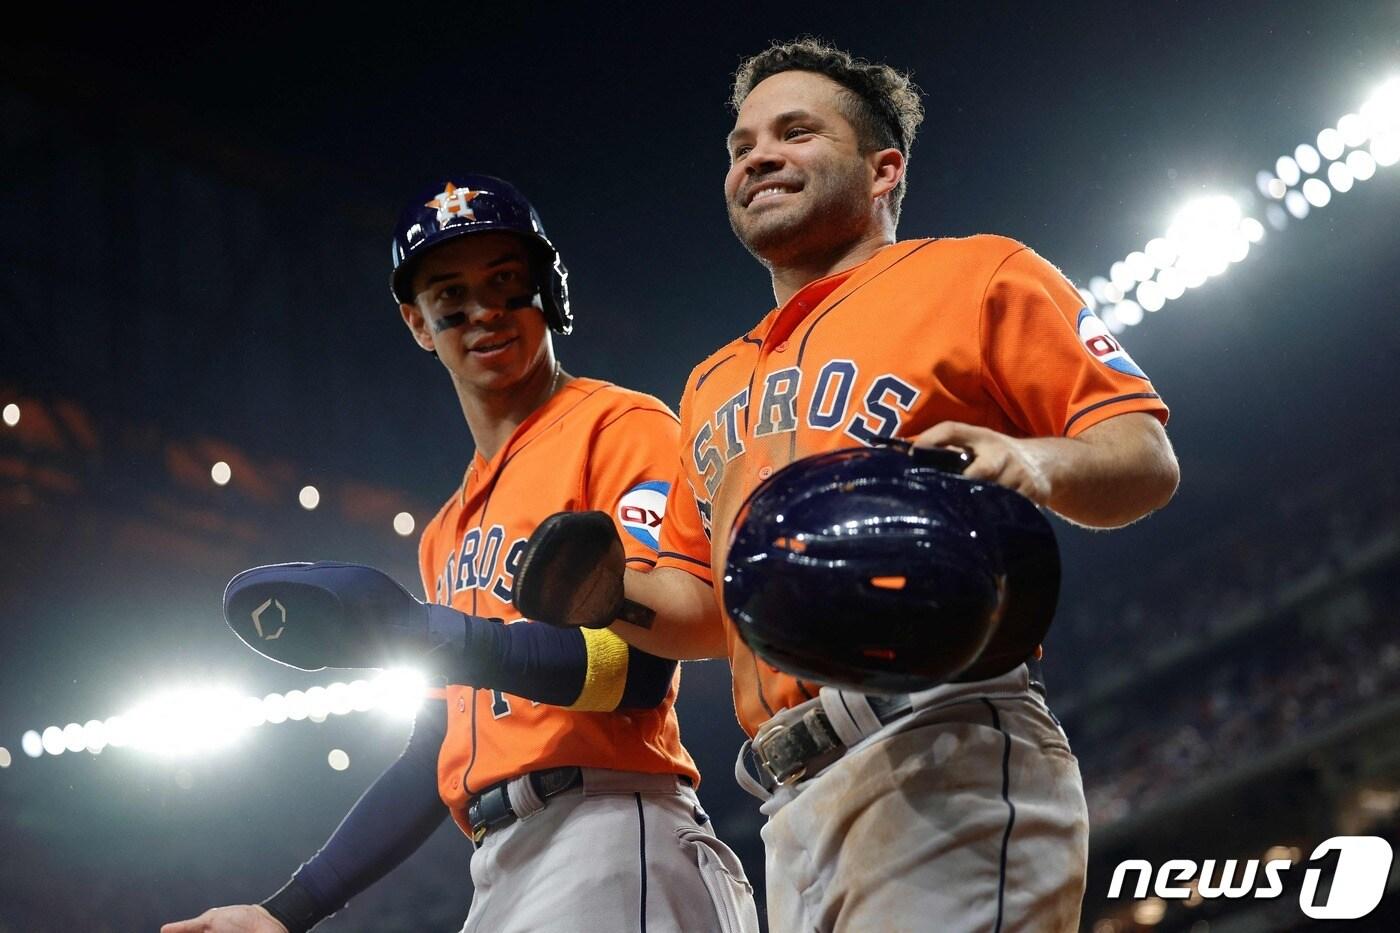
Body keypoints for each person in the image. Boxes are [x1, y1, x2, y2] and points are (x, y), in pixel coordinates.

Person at [598, 40, 1181, 931]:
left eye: (796, 132)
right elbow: (707, 614)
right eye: (741, 143)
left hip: (939, 739)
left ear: (883, 169)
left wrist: (1031, 460)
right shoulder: (710, 381)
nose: (758, 154)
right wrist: (602, 590)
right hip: (786, 799)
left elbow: (1141, 458)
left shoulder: (978, 272)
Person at [162, 175, 757, 933]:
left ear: (548, 291)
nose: (482, 311)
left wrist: (424, 632)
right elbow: (433, 749)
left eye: (506, 283)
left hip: (610, 823)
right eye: (450, 294)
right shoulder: (446, 528)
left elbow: (636, 670)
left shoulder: (620, 426)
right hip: (501, 859)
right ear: (417, 322)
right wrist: (286, 911)